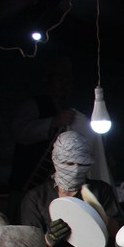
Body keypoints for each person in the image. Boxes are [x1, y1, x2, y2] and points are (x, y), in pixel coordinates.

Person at [10, 57, 77, 195]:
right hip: (28, 180)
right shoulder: (33, 105)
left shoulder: (64, 108)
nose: (64, 85)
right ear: (48, 81)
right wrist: (53, 122)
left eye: (67, 81)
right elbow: (20, 132)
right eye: (60, 80)